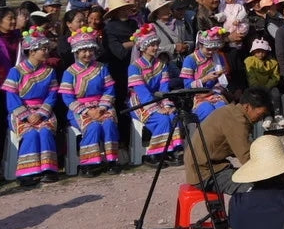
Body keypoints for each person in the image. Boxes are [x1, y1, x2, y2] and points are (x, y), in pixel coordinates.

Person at [185, 87, 274, 194]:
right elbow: (247, 157)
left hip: (211, 166)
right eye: (260, 115)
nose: (261, 119)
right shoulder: (237, 121)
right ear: (247, 107)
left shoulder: (232, 112)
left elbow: (245, 148)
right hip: (205, 174)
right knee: (256, 189)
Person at [59, 26, 120, 176]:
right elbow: (67, 97)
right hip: (79, 108)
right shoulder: (70, 72)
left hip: (102, 106)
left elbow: (109, 89)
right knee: (92, 126)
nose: (87, 54)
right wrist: (86, 111)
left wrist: (102, 107)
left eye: (90, 50)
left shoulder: (101, 68)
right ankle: (89, 164)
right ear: (77, 52)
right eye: (83, 51)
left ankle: (112, 161)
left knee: (109, 123)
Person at [5, 29, 61, 185]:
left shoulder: (50, 71)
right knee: (30, 133)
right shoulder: (15, 71)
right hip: (21, 112)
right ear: (31, 51)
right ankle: (26, 173)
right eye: (42, 49)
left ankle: (48, 170)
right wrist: (26, 115)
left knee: (45, 131)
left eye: (46, 48)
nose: (46, 51)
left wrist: (42, 113)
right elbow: (12, 97)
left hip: (43, 111)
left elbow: (52, 95)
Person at [127, 23, 184, 164]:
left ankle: (173, 150)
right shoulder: (134, 67)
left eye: (156, 44)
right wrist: (158, 108)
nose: (155, 48)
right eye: (151, 45)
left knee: (173, 114)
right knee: (162, 119)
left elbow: (164, 88)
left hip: (159, 100)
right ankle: (156, 154)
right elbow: (142, 92)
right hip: (140, 102)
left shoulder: (161, 64)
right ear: (143, 47)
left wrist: (167, 105)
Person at [180, 27, 232, 120]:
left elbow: (223, 80)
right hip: (196, 96)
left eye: (215, 49)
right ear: (200, 45)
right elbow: (187, 86)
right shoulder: (190, 59)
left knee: (223, 109)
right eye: (208, 49)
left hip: (215, 93)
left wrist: (212, 92)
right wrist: (205, 79)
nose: (212, 52)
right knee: (207, 109)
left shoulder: (219, 57)